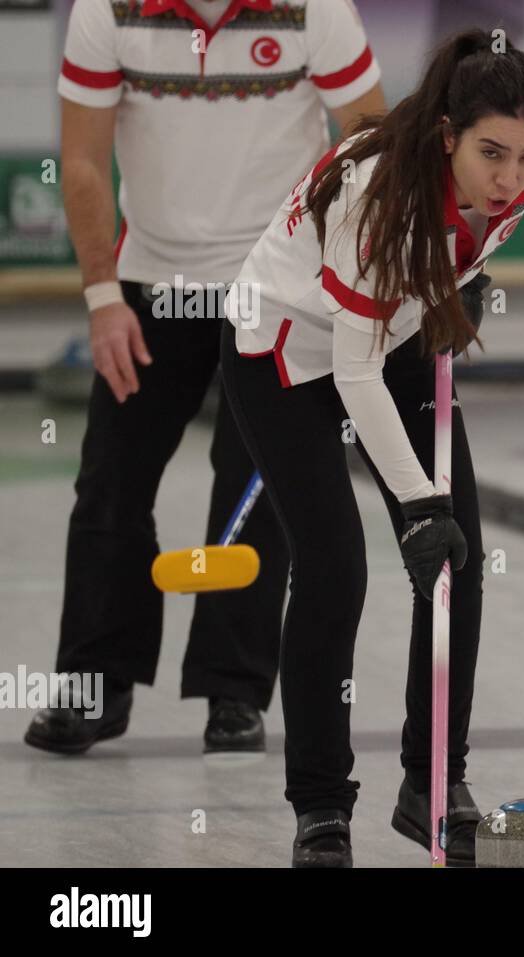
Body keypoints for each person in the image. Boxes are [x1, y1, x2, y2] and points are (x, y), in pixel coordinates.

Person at [220, 27, 524, 866]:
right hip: (286, 354)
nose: (512, 177)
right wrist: (416, 503)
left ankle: (431, 779)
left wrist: (464, 285)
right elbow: (352, 373)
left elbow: (451, 261)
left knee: (458, 558)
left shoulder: (514, 179)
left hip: (392, 337)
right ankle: (321, 805)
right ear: (448, 137)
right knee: (336, 564)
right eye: (492, 154)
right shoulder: (380, 194)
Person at [27, 0, 385, 756]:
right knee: (111, 478)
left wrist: (345, 271)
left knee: (255, 483)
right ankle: (96, 683)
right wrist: (100, 297)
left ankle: (234, 691)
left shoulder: (314, 8)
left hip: (276, 282)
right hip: (150, 283)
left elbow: (368, 140)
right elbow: (84, 158)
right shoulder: (106, 10)